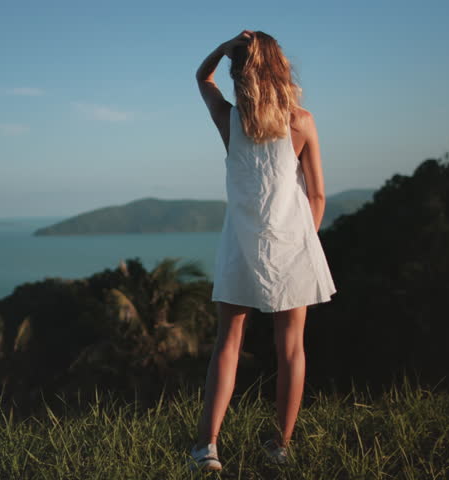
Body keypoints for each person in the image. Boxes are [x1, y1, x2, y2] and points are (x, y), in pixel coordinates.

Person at [188, 30, 337, 472]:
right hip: (292, 245)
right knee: (291, 348)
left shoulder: (228, 119)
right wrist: (301, 243)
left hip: (240, 246)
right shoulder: (301, 121)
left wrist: (224, 47)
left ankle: (206, 447)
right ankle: (280, 446)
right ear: (280, 68)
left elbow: (202, 77)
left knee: (227, 345)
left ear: (240, 73)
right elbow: (318, 196)